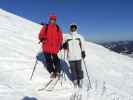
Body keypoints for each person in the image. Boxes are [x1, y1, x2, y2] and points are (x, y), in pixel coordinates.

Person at [63, 23, 86, 88]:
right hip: (70, 56)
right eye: (72, 27)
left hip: (78, 56)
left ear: (76, 28)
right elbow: (64, 46)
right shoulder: (66, 36)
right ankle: (75, 80)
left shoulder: (80, 36)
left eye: (74, 27)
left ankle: (80, 80)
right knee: (73, 69)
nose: (73, 28)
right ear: (70, 28)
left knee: (79, 69)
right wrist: (64, 46)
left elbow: (83, 45)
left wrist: (83, 52)